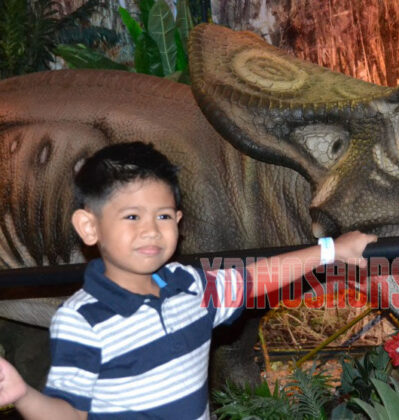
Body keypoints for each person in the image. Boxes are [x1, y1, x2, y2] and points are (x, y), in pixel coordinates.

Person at [0, 142, 376, 419]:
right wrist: (23, 395)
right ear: (89, 226)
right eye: (131, 217)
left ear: (178, 222)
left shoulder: (191, 286)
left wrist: (332, 251)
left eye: (163, 216)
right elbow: (70, 414)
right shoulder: (82, 320)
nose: (150, 231)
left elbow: (256, 278)